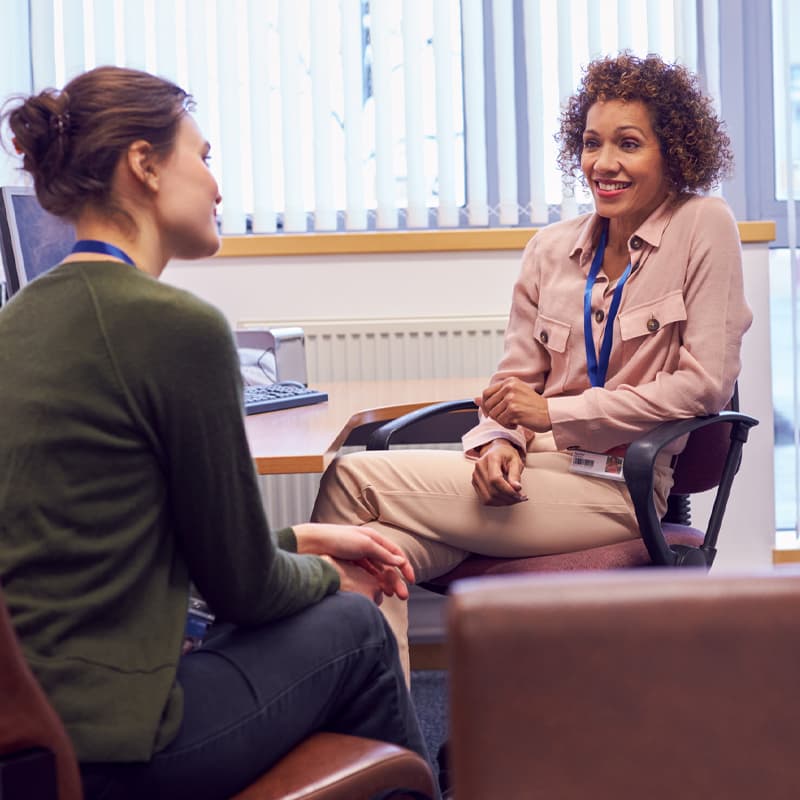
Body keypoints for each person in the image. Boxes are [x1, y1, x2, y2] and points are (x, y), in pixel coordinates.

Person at [0, 66, 436, 800]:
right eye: (203, 157)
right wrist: (333, 575)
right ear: (144, 164)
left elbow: (121, 548)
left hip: (29, 744)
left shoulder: (16, 325)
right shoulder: (176, 327)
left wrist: (304, 540)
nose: (218, 187)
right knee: (355, 627)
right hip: (121, 748)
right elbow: (246, 593)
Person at [311, 52, 754, 680]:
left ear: (673, 154)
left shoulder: (703, 224)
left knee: (352, 480)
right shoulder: (550, 249)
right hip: (535, 476)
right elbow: (513, 382)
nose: (603, 163)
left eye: (628, 144)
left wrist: (554, 414)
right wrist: (499, 443)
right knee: (377, 554)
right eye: (591, 143)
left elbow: (702, 386)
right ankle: (385, 730)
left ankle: (347, 714)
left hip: (622, 483)